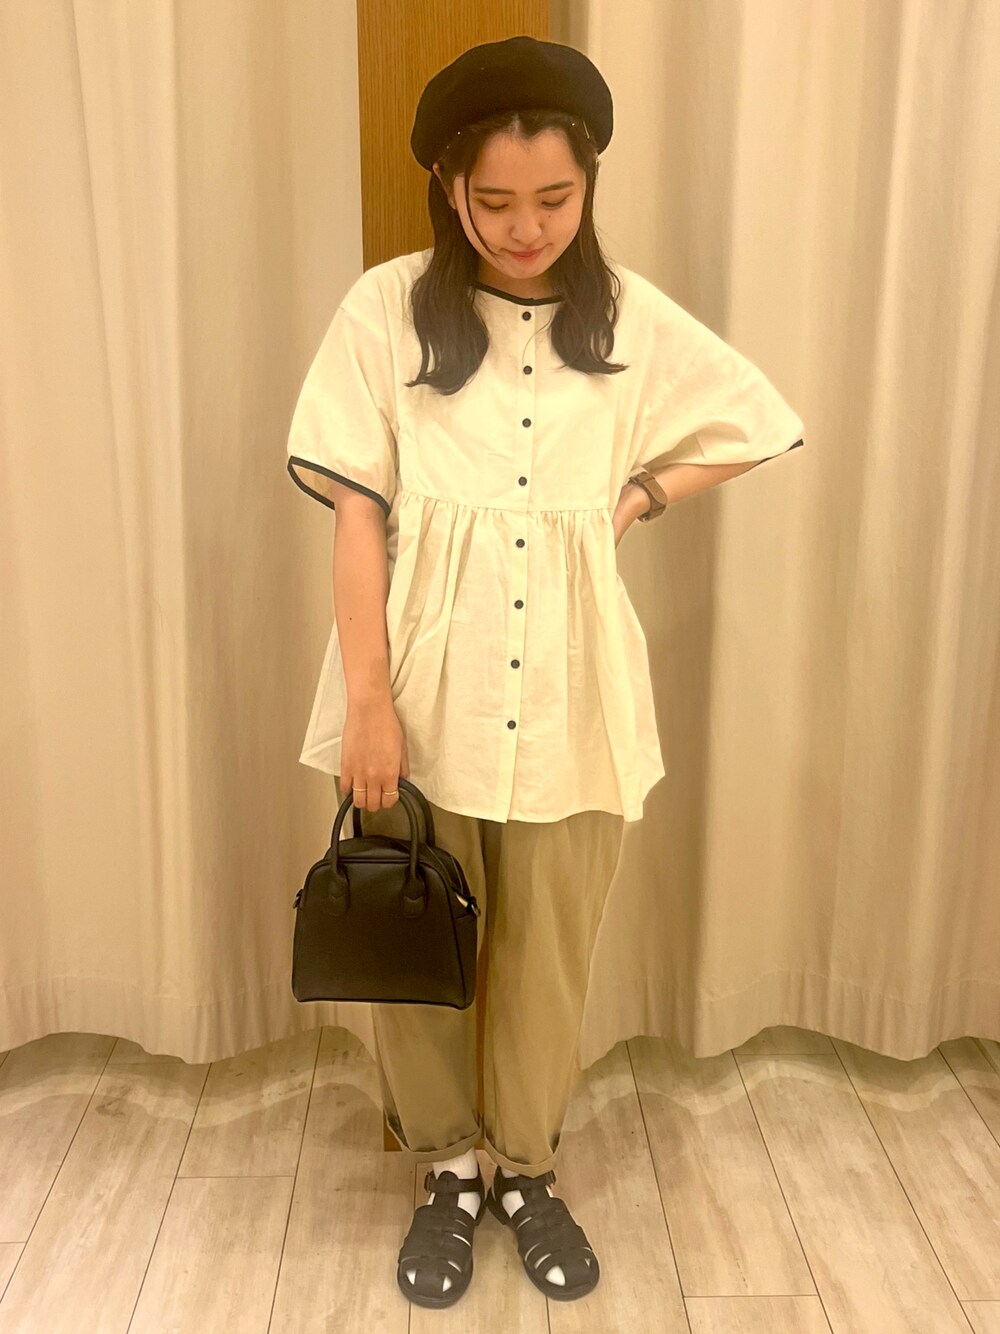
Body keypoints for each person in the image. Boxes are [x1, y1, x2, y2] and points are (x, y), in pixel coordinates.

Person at [286, 35, 805, 1312]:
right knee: (416, 935)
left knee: (547, 955)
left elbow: (757, 417)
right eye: (498, 200)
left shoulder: (624, 319)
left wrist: (635, 497)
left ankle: (526, 1166)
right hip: (421, 685)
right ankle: (446, 1170)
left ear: (588, 186)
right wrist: (367, 703)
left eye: (555, 199)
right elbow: (355, 510)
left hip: (575, 693)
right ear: (449, 187)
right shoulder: (386, 311)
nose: (527, 229)